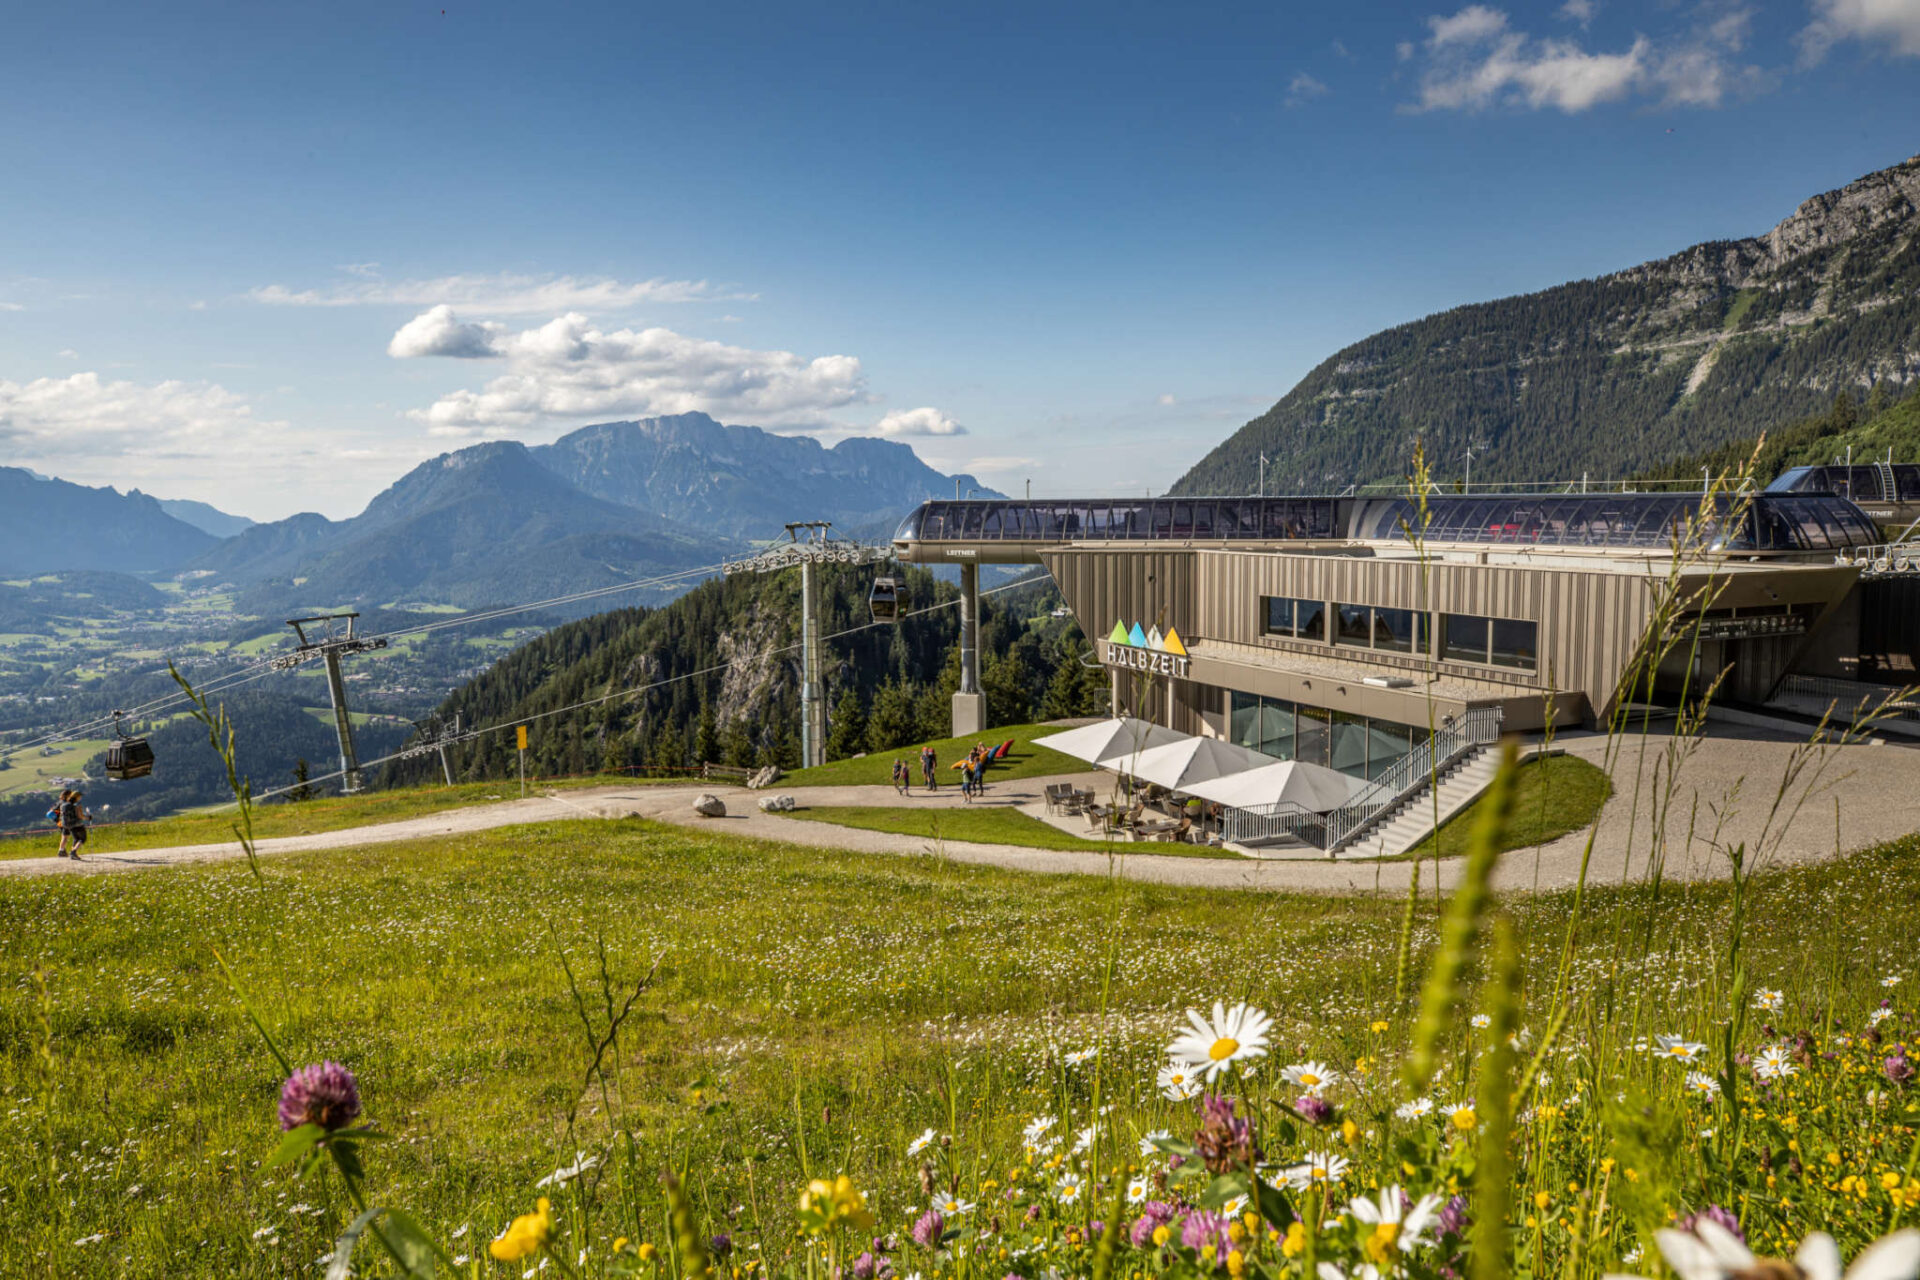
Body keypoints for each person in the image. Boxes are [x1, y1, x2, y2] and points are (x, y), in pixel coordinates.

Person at [59, 788, 90, 860]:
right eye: (80, 796)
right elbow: (80, 816)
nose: (81, 798)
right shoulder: (77, 804)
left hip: (67, 825)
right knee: (82, 838)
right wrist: (88, 818)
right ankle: (73, 852)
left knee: (76, 838)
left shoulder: (64, 804)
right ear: (77, 797)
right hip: (77, 824)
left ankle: (73, 853)